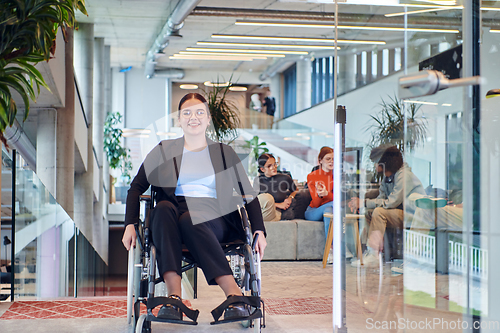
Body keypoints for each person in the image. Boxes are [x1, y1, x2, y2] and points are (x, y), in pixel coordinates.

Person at [122, 93, 267, 321]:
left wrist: (258, 230)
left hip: (215, 217)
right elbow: (135, 188)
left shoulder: (223, 152)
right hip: (171, 216)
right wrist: (130, 224)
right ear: (179, 120)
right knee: (162, 209)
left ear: (208, 119)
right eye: (186, 113)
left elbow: (248, 194)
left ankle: (234, 294)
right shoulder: (163, 150)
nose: (193, 117)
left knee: (190, 218)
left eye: (200, 112)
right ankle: (175, 299)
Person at [349, 144, 425, 267]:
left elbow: (391, 202)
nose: (374, 165)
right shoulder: (387, 177)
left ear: (385, 162)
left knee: (379, 212)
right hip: (399, 213)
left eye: (376, 162)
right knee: (369, 212)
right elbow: (381, 198)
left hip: (415, 216)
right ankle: (371, 250)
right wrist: (366, 205)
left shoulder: (404, 175)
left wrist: (364, 201)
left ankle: (374, 255)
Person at [254, 153, 297, 221]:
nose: (274, 167)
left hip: (275, 212)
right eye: (269, 166)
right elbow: (256, 201)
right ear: (262, 169)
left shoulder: (285, 178)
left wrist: (290, 197)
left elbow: (295, 190)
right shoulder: (258, 180)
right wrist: (278, 205)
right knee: (266, 197)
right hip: (262, 210)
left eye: (274, 164)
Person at [304, 147, 334, 237]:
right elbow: (316, 204)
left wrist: (327, 194)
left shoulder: (338, 176)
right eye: (328, 159)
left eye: (333, 159)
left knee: (329, 210)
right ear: (320, 161)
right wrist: (320, 195)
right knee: (335, 204)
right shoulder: (312, 176)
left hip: (330, 209)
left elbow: (341, 198)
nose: (331, 161)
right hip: (313, 211)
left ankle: (331, 248)